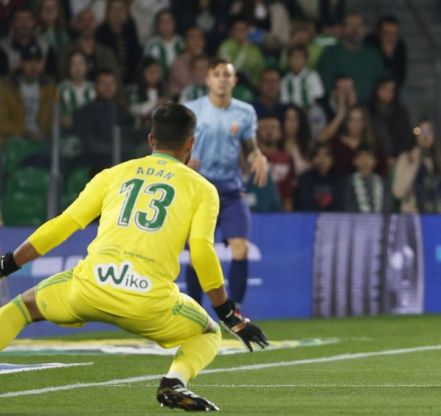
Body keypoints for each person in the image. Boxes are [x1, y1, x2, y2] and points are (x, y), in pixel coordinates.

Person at [0, 103, 269, 411]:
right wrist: (227, 314)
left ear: (150, 139)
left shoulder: (113, 174)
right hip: (148, 303)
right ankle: (173, 383)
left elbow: (63, 225)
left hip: (88, 289)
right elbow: (202, 252)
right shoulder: (202, 189)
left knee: (22, 307)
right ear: (191, 144)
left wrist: (8, 264)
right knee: (208, 332)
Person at [184, 58, 269, 309]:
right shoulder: (191, 110)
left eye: (226, 74)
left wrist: (258, 157)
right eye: (217, 74)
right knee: (198, 254)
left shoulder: (244, 112)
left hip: (231, 192)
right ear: (208, 80)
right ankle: (195, 312)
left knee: (240, 249)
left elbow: (249, 147)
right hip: (199, 192)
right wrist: (184, 162)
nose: (222, 78)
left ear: (234, 81)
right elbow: (176, 145)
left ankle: (236, 310)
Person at [392, 120, 441, 214]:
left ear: (434, 136)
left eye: (428, 131)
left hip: (438, 216)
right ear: (415, 135)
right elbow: (398, 192)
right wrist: (414, 164)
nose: (425, 136)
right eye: (420, 131)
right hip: (412, 216)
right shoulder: (405, 159)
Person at [295, 142, 343, 211]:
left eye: (326, 155)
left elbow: (339, 207)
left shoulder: (339, 180)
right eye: (318, 155)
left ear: (332, 159)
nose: (322, 159)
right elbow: (306, 205)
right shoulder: (304, 179)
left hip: (332, 219)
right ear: (312, 158)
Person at [344, 144, 387, 213]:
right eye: (361, 157)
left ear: (375, 161)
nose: (365, 160)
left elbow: (386, 205)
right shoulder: (348, 182)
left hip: (379, 221)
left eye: (369, 157)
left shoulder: (381, 181)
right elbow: (347, 205)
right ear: (354, 161)